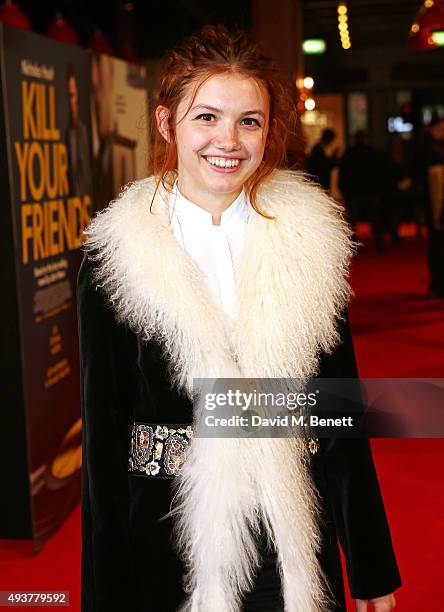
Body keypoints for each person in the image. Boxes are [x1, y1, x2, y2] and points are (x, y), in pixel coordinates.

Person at [77, 25, 401, 612]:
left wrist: (372, 567)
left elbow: (337, 416)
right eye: (206, 117)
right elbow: (105, 440)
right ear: (165, 123)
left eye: (248, 120)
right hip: (169, 541)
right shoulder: (116, 256)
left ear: (267, 130)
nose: (228, 140)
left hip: (295, 534)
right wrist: (103, 591)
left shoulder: (309, 243)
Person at [339, 131, 385, 252]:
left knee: (354, 220)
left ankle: (352, 247)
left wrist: (344, 189)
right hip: (366, 191)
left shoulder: (350, 153)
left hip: (356, 191)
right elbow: (378, 173)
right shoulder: (370, 152)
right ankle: (379, 244)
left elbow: (343, 173)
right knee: (372, 218)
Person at [306, 128, 339, 192]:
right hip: (319, 181)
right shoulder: (317, 149)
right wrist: (333, 157)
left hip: (321, 181)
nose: (332, 142)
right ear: (327, 138)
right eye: (331, 139)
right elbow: (323, 165)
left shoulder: (319, 149)